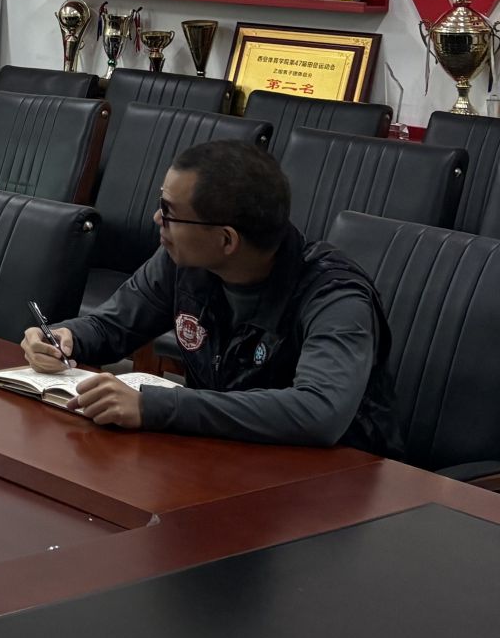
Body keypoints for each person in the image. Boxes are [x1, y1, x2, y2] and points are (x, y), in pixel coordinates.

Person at [20, 139, 398, 452]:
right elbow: (112, 326)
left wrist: (157, 406)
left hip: (336, 484)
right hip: (226, 454)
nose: (157, 219)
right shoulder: (184, 261)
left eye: (169, 212)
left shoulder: (335, 296)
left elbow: (319, 412)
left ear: (226, 240)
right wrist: (66, 338)